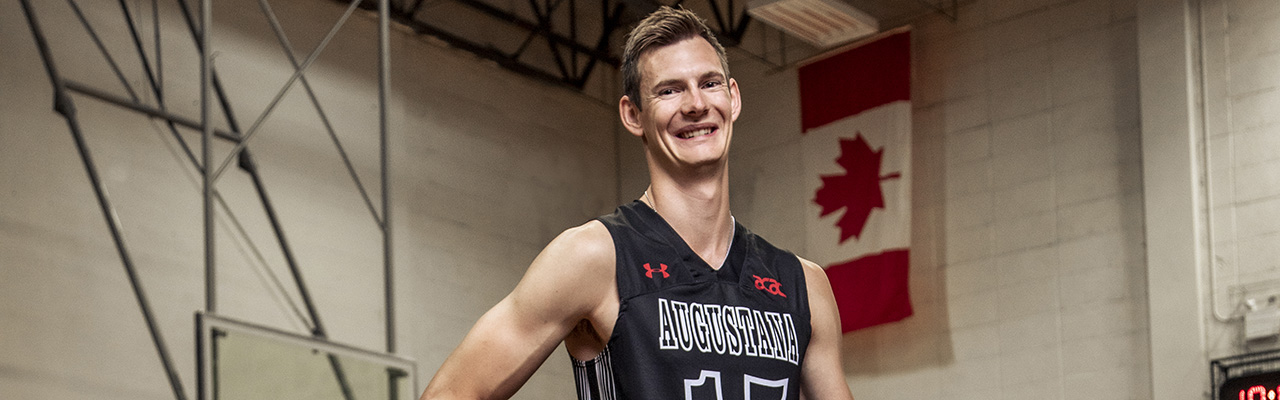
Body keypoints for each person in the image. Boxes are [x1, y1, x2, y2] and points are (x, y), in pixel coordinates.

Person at [421, 6, 854, 400]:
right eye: (669, 91)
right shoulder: (594, 257)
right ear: (633, 115)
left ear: (733, 98)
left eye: (709, 83)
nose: (696, 104)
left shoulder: (803, 285)